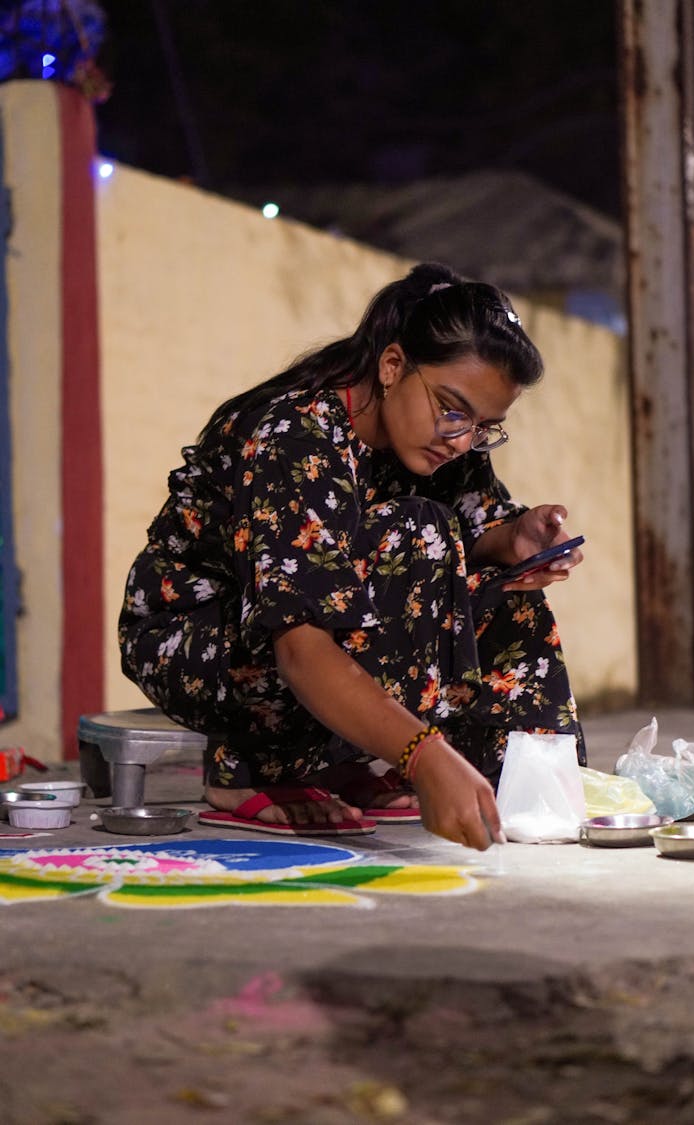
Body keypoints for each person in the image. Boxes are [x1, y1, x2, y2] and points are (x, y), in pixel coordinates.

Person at [118, 262, 585, 852]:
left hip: (292, 631)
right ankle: (258, 772)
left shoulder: (441, 438)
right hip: (196, 640)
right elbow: (299, 644)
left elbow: (475, 531)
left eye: (484, 427)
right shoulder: (293, 437)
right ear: (392, 366)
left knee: (493, 578)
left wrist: (515, 539)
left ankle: (522, 782)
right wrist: (423, 756)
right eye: (453, 410)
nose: (462, 439)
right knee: (418, 534)